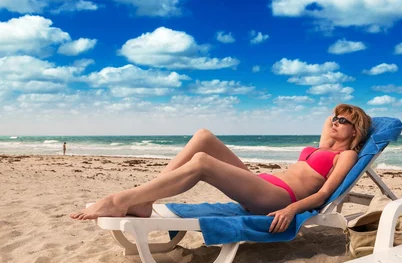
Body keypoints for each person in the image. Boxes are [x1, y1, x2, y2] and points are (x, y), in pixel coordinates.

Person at [70, 104, 372, 233]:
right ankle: (145, 200)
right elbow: (329, 126)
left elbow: (323, 194)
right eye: (334, 116)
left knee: (202, 163)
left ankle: (119, 200)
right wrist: (337, 118)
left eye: (343, 120)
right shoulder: (321, 147)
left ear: (355, 132)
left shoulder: (345, 155)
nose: (335, 121)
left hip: (278, 198)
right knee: (204, 137)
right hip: (262, 183)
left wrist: (293, 210)